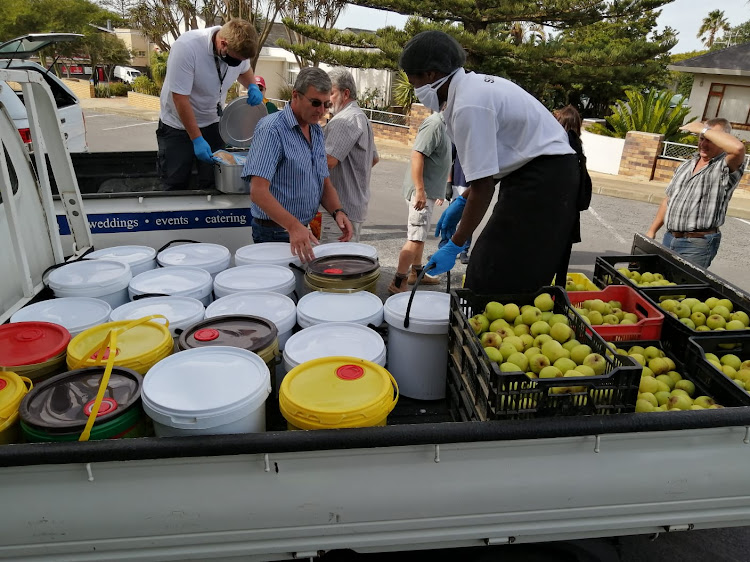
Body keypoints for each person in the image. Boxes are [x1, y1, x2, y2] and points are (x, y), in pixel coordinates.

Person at [399, 31, 579, 294]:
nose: (414, 89)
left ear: (431, 74)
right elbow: (491, 168)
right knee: (499, 266)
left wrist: (456, 243)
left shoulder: (468, 105)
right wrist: (461, 201)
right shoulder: (469, 91)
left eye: (413, 80)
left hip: (546, 180)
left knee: (493, 268)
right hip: (540, 172)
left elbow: (484, 187)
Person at [241, 67, 353, 262]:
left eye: (326, 104)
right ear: (296, 96)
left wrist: (338, 211)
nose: (321, 111)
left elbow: (323, 181)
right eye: (315, 103)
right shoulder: (272, 129)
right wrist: (293, 226)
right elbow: (258, 192)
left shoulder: (316, 131)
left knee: (300, 288)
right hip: (274, 233)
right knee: (280, 289)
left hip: (303, 228)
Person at [156, 19, 263, 191]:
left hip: (213, 123)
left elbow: (244, 70)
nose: (236, 63)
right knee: (175, 182)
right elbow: (180, 99)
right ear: (222, 43)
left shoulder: (239, 48)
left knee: (214, 182)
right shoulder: (187, 47)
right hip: (177, 126)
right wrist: (197, 139)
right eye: (234, 60)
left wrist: (252, 85)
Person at [645, 118, 746, 268]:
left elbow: (738, 148)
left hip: (697, 244)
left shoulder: (724, 166)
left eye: (710, 139)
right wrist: (652, 231)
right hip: (670, 237)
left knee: (682, 289)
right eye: (701, 138)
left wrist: (703, 129)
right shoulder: (686, 165)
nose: (703, 144)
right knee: (661, 285)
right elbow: (669, 199)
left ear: (722, 140)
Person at [388, 111, 451, 295]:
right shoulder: (434, 125)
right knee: (415, 238)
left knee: (420, 236)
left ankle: (417, 273)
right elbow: (417, 155)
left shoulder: (444, 126)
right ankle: (398, 282)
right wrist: (420, 190)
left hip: (427, 192)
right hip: (421, 194)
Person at [320, 68, 380, 243]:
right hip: (352, 206)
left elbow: (328, 162)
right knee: (346, 261)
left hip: (338, 209)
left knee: (334, 263)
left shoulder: (344, 120)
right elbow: (374, 159)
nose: (327, 100)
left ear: (345, 93)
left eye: (331, 93)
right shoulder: (359, 117)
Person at [553, 104, 592, 287]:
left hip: (554, 215)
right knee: (561, 264)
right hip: (570, 216)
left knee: (543, 261)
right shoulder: (579, 149)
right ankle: (558, 297)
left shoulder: (560, 145)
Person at [438, 146, 471, 264]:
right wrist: (448, 183)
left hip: (472, 186)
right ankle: (444, 248)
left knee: (468, 221)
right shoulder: (457, 134)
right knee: (449, 220)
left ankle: (463, 250)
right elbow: (448, 161)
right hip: (457, 185)